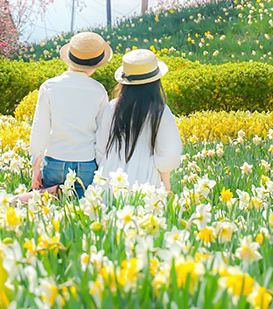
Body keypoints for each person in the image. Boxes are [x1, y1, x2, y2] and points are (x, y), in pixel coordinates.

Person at [28, 31, 112, 200]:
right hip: (86, 163)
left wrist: (36, 165)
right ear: (95, 66)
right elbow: (103, 133)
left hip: (55, 160)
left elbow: (40, 128)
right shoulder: (99, 91)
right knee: (82, 212)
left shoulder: (49, 87)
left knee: (52, 209)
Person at [95, 49, 182, 191]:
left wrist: (107, 167)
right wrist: (166, 184)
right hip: (146, 181)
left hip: (110, 179)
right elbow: (169, 153)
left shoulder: (112, 107)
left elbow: (101, 148)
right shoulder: (160, 111)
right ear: (155, 82)